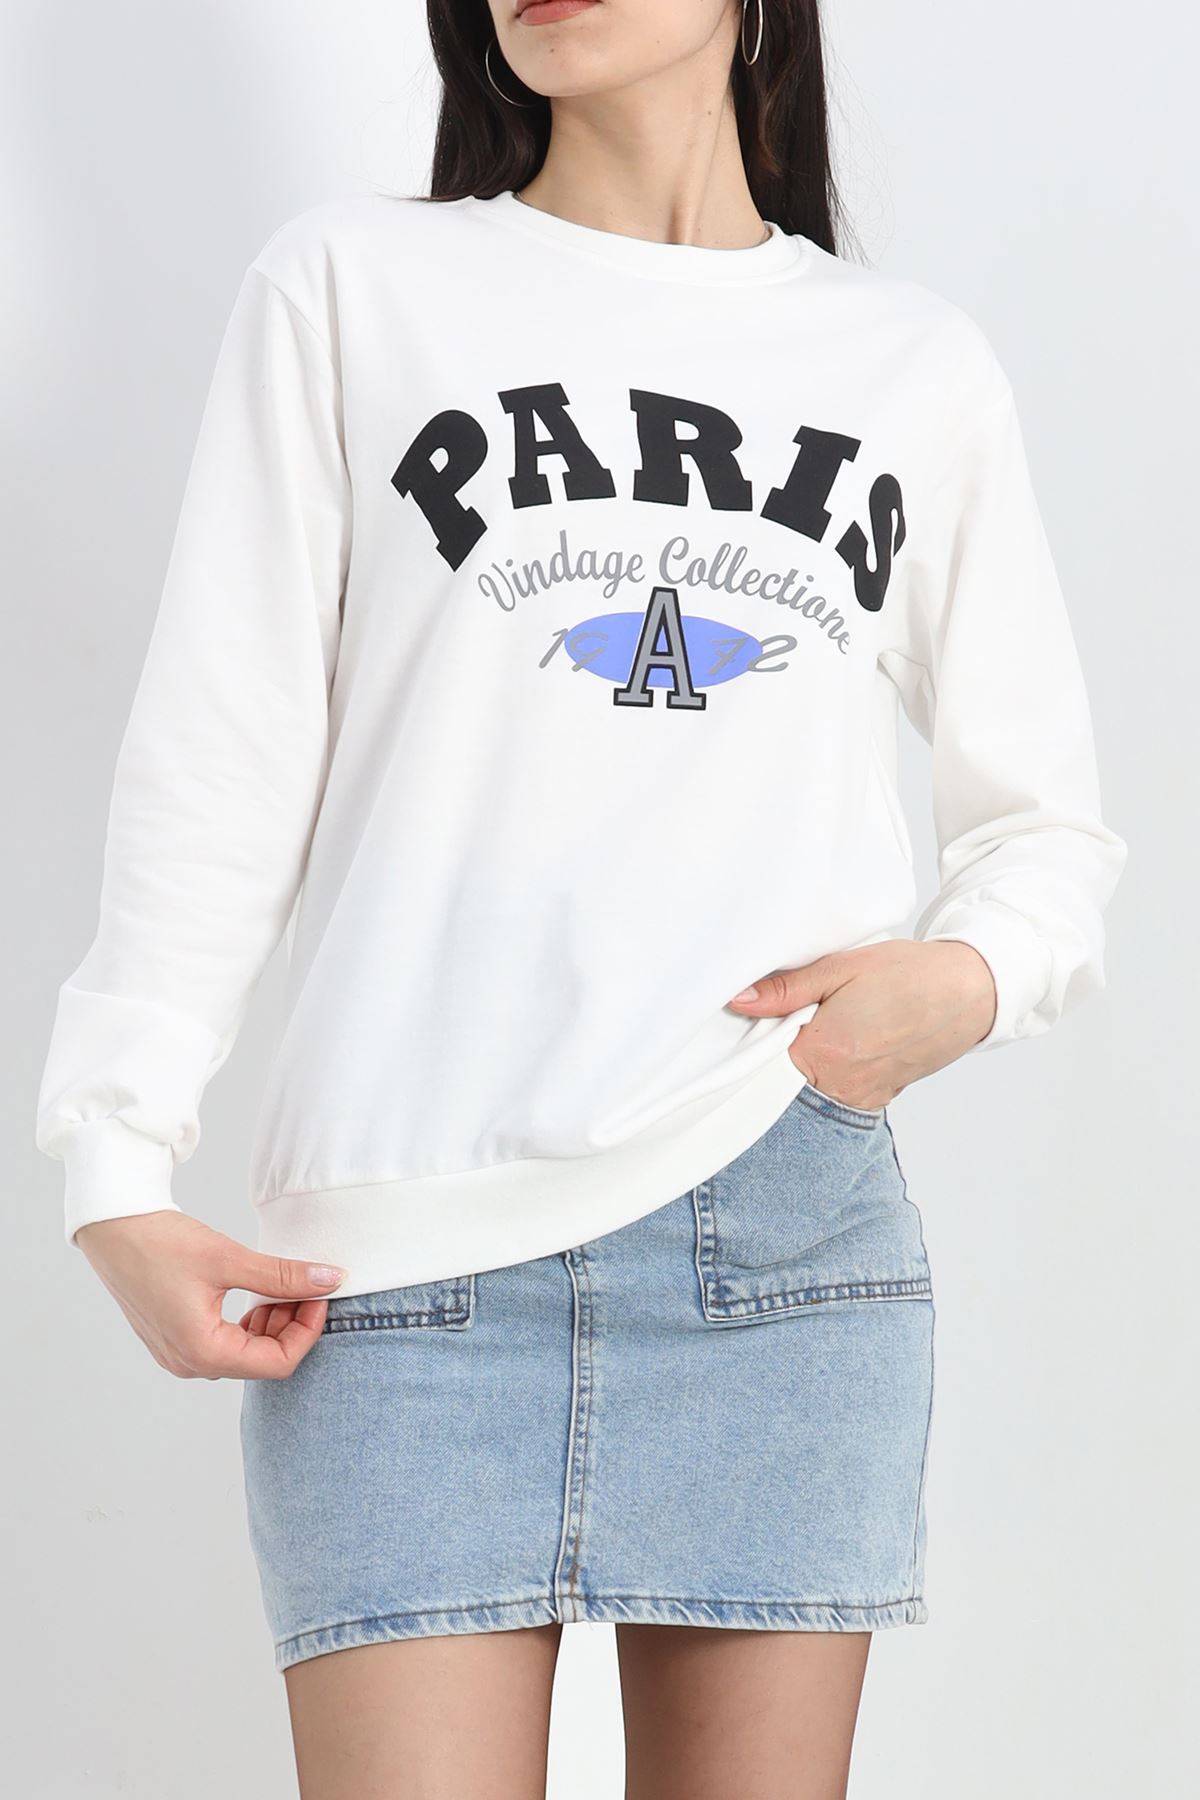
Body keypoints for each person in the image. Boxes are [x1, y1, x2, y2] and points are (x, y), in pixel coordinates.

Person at [35, 2, 1127, 1795]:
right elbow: (217, 763)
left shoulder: (907, 366)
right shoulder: (353, 290)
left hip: (784, 1242)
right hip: (402, 1273)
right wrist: (113, 1163)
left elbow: (1047, 829)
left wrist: (959, 986)